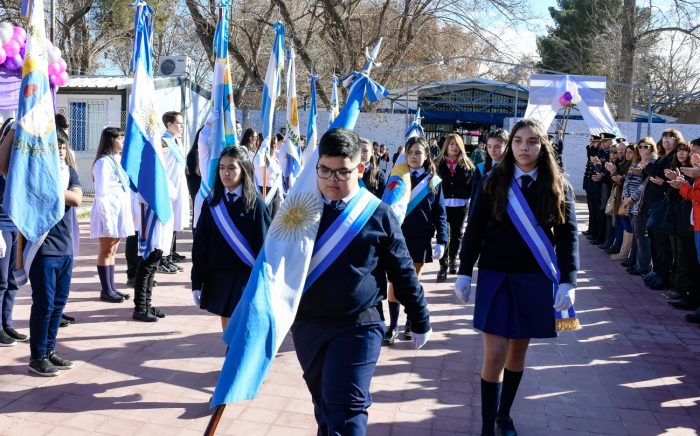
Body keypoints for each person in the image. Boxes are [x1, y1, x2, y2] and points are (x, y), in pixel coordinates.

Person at [293, 128, 431, 435]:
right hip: (308, 324)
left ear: (360, 168)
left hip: (359, 324)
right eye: (324, 171)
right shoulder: (299, 211)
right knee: (325, 405)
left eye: (342, 172)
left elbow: (402, 270)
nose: (332, 180)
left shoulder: (377, 215)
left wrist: (419, 317)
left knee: (347, 410)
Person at [454, 119, 578, 436]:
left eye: (533, 141)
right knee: (494, 353)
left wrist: (568, 280)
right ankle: (486, 427)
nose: (525, 148)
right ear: (511, 146)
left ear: (543, 146)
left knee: (517, 352)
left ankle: (503, 415)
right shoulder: (494, 181)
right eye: (519, 141)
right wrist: (465, 271)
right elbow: (475, 229)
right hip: (495, 275)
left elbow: (568, 237)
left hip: (533, 278)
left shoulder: (558, 185)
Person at [191, 147, 270, 332]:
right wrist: (197, 280)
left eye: (232, 168)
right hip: (218, 275)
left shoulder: (256, 205)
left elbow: (264, 248)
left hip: (245, 277)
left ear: (243, 169)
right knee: (227, 328)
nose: (225, 173)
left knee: (241, 329)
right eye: (222, 167)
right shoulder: (212, 202)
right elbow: (200, 245)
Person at [29, 134, 83, 375]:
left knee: (58, 304)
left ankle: (50, 350)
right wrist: (58, 191)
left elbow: (78, 198)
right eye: (56, 147)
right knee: (44, 304)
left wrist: (53, 190)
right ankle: (37, 356)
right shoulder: (37, 173)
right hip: (44, 248)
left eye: (63, 146)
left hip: (65, 247)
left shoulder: (69, 171)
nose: (61, 150)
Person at [384, 136, 446, 345]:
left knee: (412, 282)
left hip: (420, 238)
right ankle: (392, 325)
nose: (414, 156)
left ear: (427, 155)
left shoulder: (433, 181)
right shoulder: (397, 178)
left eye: (418, 153)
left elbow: (440, 213)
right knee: (393, 281)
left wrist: (442, 240)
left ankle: (410, 323)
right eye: (410, 152)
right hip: (397, 238)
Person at [90, 127, 134, 303]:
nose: (123, 141)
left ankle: (112, 287)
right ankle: (106, 289)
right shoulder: (102, 163)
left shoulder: (116, 160)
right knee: (106, 250)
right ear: (110, 140)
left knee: (113, 250)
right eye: (120, 138)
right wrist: (107, 220)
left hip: (118, 210)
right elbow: (101, 193)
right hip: (108, 211)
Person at [435, 133, 475, 282]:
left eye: (457, 144)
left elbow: (472, 185)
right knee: (444, 234)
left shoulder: (468, 165)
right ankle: (443, 265)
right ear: (446, 146)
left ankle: (453, 260)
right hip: (442, 205)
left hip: (461, 205)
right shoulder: (437, 163)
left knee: (457, 234)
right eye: (451, 144)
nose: (454, 147)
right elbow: (432, 184)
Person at [0, 119, 24, 346]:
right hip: (2, 227)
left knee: (12, 280)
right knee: (0, 281)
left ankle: (7, 324)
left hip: (16, 225)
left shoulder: (20, 162)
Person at [161, 111, 189, 272]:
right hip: (168, 186)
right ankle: (163, 258)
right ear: (169, 125)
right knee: (167, 223)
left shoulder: (176, 141)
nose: (181, 127)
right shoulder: (164, 141)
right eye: (178, 123)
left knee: (175, 222)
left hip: (178, 185)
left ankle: (170, 255)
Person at [254, 134, 283, 218]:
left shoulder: (275, 159)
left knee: (273, 220)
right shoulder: (260, 158)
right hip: (264, 190)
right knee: (265, 219)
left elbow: (278, 178)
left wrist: (280, 195)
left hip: (275, 192)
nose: (276, 148)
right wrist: (263, 146)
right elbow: (258, 163)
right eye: (274, 145)